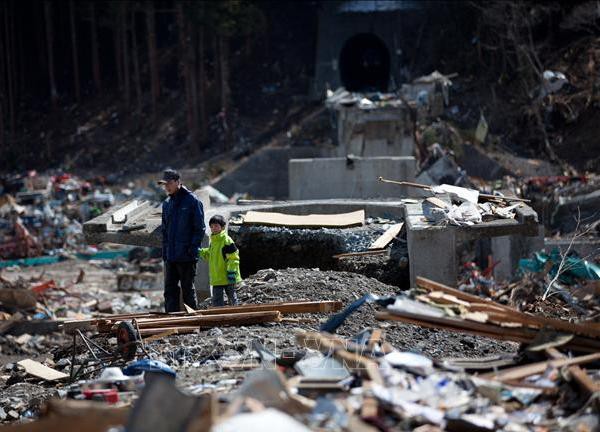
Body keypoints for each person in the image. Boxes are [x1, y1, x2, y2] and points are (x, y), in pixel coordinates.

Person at [159, 169, 205, 312]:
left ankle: (192, 322)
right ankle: (171, 322)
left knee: (187, 291)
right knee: (169, 291)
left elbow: (200, 228)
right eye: (164, 184)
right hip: (171, 256)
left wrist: (192, 249)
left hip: (186, 256)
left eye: (169, 183)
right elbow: (165, 231)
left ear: (178, 182)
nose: (167, 187)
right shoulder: (167, 203)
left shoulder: (192, 201)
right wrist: (165, 252)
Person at [199, 214, 241, 307]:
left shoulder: (227, 241)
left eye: (216, 226)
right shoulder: (213, 241)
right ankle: (219, 316)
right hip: (217, 277)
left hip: (228, 276)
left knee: (231, 296)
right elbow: (210, 254)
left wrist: (231, 272)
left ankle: (235, 312)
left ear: (222, 227)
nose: (213, 228)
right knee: (217, 298)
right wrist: (201, 252)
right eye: (212, 226)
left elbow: (233, 258)